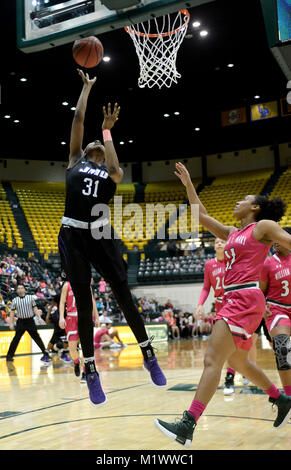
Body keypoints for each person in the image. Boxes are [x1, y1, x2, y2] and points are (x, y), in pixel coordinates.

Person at [154, 162, 291, 447]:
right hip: (236, 299)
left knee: (211, 360)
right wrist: (189, 184)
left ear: (254, 208)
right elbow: (200, 215)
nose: (238, 202)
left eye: (244, 200)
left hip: (243, 298)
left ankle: (187, 424)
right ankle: (282, 399)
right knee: (239, 362)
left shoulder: (262, 226)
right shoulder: (231, 233)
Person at [58, 69, 166, 406]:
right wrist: (86, 89)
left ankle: (148, 353)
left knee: (123, 294)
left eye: (98, 144)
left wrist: (106, 131)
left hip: (101, 229)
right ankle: (90, 370)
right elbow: (77, 119)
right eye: (94, 142)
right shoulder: (75, 159)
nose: (92, 143)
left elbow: (118, 171)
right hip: (72, 232)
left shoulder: (109, 170)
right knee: (85, 300)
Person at [260, 227, 291, 397]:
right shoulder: (268, 263)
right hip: (278, 308)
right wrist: (261, 303)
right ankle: (289, 397)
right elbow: (260, 290)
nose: (276, 240)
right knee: (282, 347)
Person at [59, 280, 99, 382]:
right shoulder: (67, 285)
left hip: (84, 317)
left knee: (86, 346)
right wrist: (61, 318)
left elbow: (92, 301)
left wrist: (97, 317)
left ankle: (85, 372)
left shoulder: (86, 284)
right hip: (71, 318)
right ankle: (76, 362)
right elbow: (62, 302)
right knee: (72, 348)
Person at [6, 284, 51, 364]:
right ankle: (9, 356)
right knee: (16, 339)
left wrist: (39, 318)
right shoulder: (15, 300)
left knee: (37, 338)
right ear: (17, 291)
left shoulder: (30, 298)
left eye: (21, 288)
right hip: (21, 322)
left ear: (24, 290)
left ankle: (45, 353)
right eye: (18, 288)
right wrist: (11, 323)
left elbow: (35, 308)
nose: (20, 290)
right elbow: (12, 312)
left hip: (30, 321)